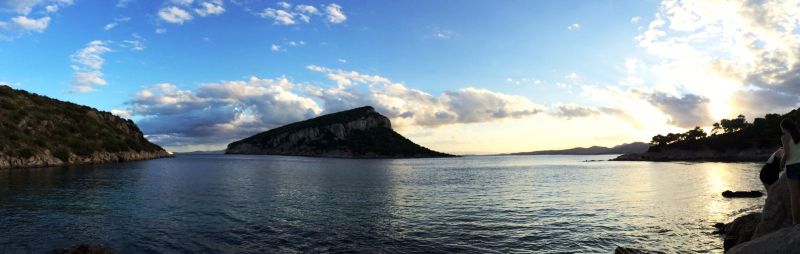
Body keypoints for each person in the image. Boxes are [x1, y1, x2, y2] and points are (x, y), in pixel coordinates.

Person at [780, 118, 800, 224]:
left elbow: (787, 153)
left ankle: (795, 221)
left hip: (792, 166)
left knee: (794, 196)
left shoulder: (785, 137)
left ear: (784, 128)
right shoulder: (798, 134)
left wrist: (781, 163)